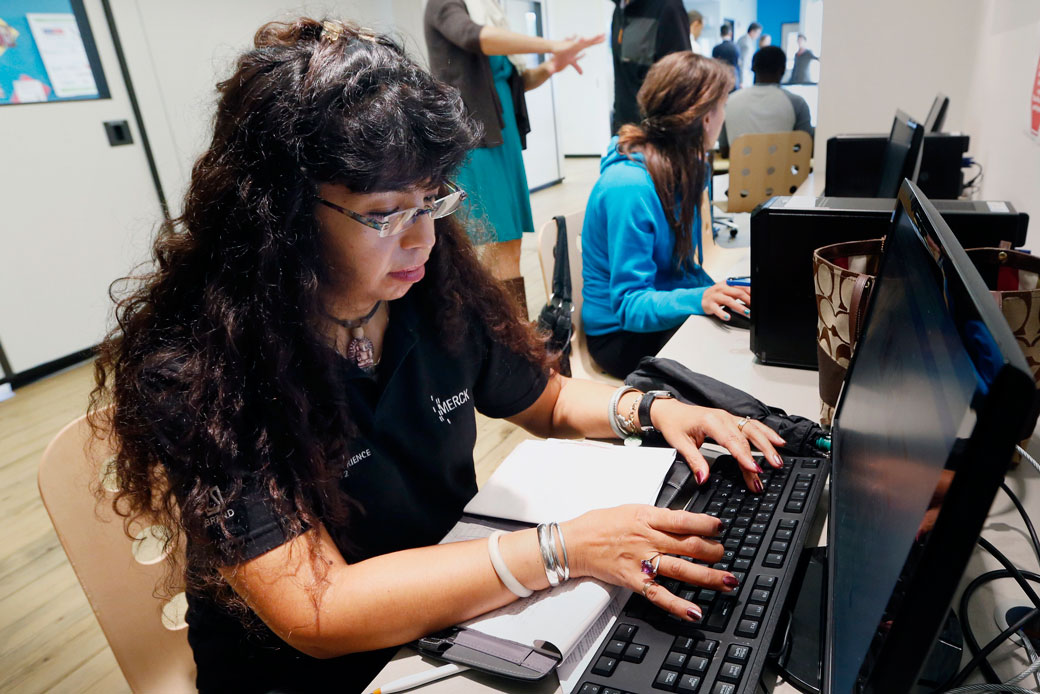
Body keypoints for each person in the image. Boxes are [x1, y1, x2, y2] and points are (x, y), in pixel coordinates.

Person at [88, 19, 785, 694]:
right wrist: (560, 549)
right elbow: (317, 610)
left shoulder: (425, 288)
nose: (422, 238)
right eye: (388, 212)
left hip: (452, 609)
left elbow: (544, 401)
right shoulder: (204, 367)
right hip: (319, 671)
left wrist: (651, 409)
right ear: (283, 213)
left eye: (433, 200)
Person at [425, 0, 602, 316]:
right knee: (494, 245)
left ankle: (514, 336)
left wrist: (551, 66)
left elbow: (512, 80)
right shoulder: (445, 5)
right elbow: (471, 36)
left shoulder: (490, 12)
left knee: (510, 245)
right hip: (476, 143)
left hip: (501, 142)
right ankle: (509, 338)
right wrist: (551, 45)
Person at [582, 52, 752, 380]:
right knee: (735, 367)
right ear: (706, 118)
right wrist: (700, 297)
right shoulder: (628, 187)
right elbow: (629, 306)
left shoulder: (684, 169)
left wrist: (722, 292)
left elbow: (681, 271)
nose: (724, 116)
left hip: (663, 312)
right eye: (724, 105)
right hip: (621, 337)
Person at [610, 0, 691, 133]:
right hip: (625, 132)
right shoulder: (620, 11)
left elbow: (682, 85)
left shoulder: (669, 7)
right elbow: (622, 80)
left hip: (656, 138)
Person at [719, 46, 814, 158]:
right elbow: (807, 149)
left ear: (753, 68)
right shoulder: (797, 103)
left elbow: (724, 150)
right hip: (784, 175)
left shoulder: (729, 101)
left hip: (739, 175)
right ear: (783, 69)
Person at [711, 24, 740, 88]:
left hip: (722, 77)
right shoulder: (736, 47)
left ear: (720, 34)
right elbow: (738, 63)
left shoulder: (716, 48)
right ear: (731, 34)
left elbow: (714, 64)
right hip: (734, 77)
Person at [735, 22, 762, 89]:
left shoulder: (744, 39)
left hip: (743, 74)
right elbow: (743, 63)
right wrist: (742, 81)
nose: (758, 36)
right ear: (752, 31)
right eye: (758, 33)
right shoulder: (746, 43)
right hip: (744, 76)